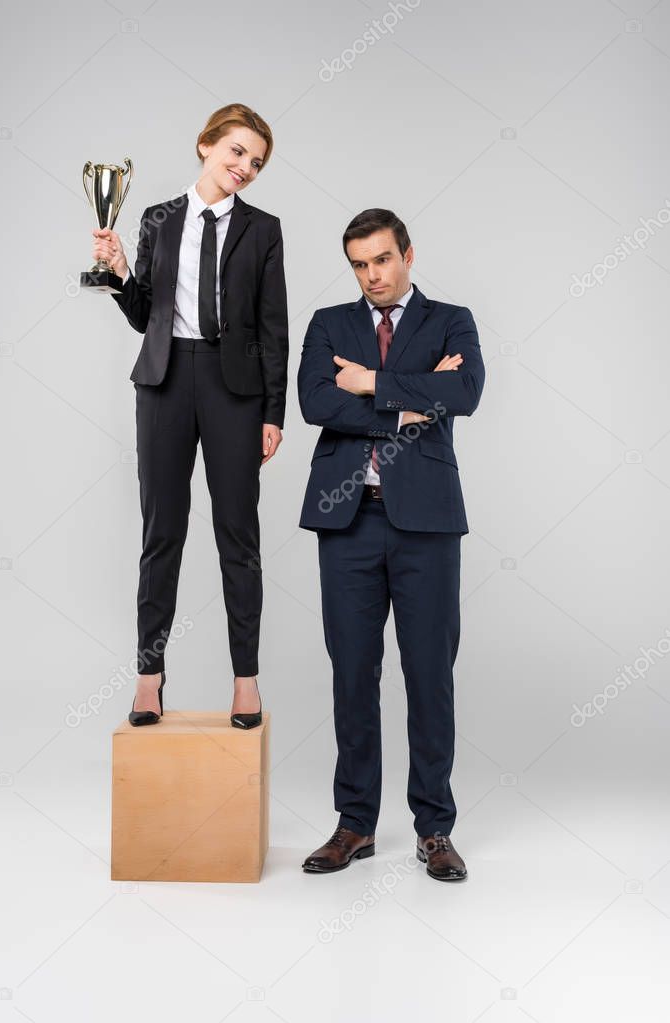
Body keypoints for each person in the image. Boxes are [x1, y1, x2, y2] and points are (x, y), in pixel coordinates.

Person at [297, 208, 484, 881]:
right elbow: (315, 402)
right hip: (346, 519)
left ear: (406, 252)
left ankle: (434, 829)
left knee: (428, 675)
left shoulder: (450, 320)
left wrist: (372, 382)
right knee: (352, 674)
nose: (372, 275)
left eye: (381, 259)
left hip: (426, 522)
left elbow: (464, 390)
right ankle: (354, 824)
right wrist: (412, 400)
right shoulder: (328, 325)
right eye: (359, 264)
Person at [91, 103, 288, 730]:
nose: (245, 167)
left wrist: (274, 411)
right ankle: (149, 678)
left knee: (239, 535)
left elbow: (274, 324)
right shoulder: (158, 218)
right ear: (206, 145)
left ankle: (246, 682)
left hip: (236, 388)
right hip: (165, 379)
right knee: (162, 533)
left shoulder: (263, 229)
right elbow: (143, 311)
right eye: (236, 152)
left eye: (255, 162)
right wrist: (121, 271)